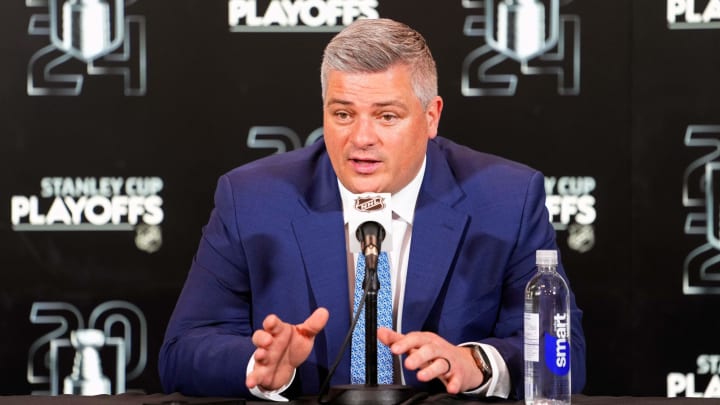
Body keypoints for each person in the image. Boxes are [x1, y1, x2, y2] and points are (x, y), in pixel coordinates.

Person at [158, 18, 586, 401]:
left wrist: (477, 363)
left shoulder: (506, 199)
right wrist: (262, 367)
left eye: (386, 116)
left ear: (431, 116)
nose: (361, 138)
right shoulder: (253, 198)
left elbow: (563, 355)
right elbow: (182, 350)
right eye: (343, 114)